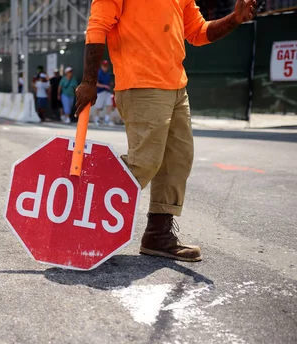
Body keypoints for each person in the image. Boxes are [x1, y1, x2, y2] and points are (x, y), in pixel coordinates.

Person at [75, 0, 257, 262]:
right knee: (144, 162)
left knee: (176, 161)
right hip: (140, 84)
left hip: (176, 87)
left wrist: (234, 19)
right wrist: (89, 81)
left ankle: (158, 235)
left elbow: (197, 32)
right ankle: (81, 221)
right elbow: (98, 27)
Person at [92, 60, 114, 126]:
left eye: (106, 66)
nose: (105, 67)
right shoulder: (98, 73)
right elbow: (96, 83)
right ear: (101, 66)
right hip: (100, 92)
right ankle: (96, 120)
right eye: (104, 66)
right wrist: (104, 86)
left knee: (110, 105)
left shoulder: (108, 74)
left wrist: (111, 84)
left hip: (107, 92)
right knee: (98, 106)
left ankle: (106, 120)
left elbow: (110, 83)